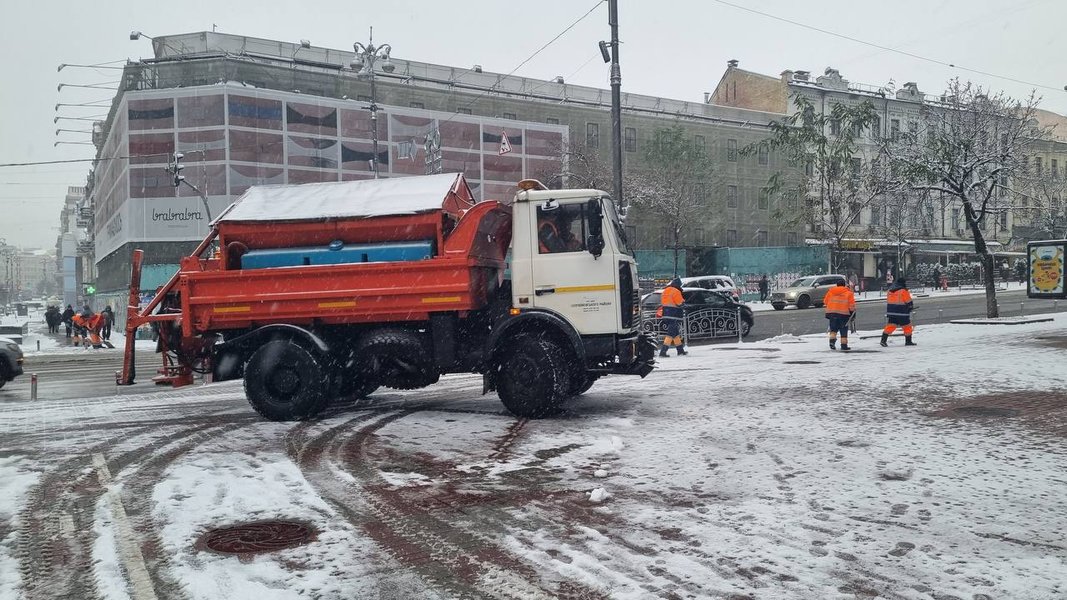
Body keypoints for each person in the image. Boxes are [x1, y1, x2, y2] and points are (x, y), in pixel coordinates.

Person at [881, 278, 916, 347]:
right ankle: (908, 341)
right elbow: (908, 301)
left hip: (891, 312)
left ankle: (883, 340)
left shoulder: (890, 291)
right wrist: (910, 307)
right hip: (902, 313)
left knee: (890, 326)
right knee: (907, 327)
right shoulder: (903, 291)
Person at [824, 279, 856, 351]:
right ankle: (844, 345)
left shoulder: (830, 292)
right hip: (844, 314)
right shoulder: (849, 293)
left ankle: (832, 342)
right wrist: (852, 314)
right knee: (843, 329)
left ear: (837, 285)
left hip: (832, 313)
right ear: (844, 285)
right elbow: (851, 305)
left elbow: (825, 301)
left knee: (833, 329)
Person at [658, 278, 687, 357]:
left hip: (666, 314)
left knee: (675, 334)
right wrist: (684, 303)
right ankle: (663, 352)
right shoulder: (676, 291)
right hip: (674, 315)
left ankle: (680, 351)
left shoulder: (666, 290)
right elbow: (679, 303)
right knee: (670, 334)